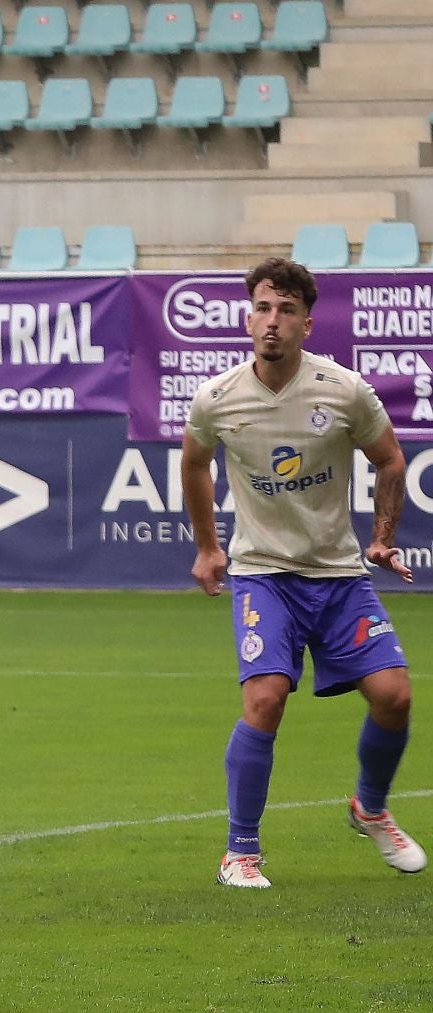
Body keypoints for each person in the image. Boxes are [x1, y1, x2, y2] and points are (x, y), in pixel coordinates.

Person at [182, 257, 425, 888]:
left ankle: (370, 808)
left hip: (339, 576)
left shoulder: (343, 391)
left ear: (307, 325)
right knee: (264, 699)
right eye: (263, 308)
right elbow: (194, 466)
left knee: (395, 697)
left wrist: (382, 539)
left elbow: (392, 461)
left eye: (286, 310)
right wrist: (209, 549)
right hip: (263, 573)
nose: (273, 322)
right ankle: (240, 852)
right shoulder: (217, 398)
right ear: (248, 317)